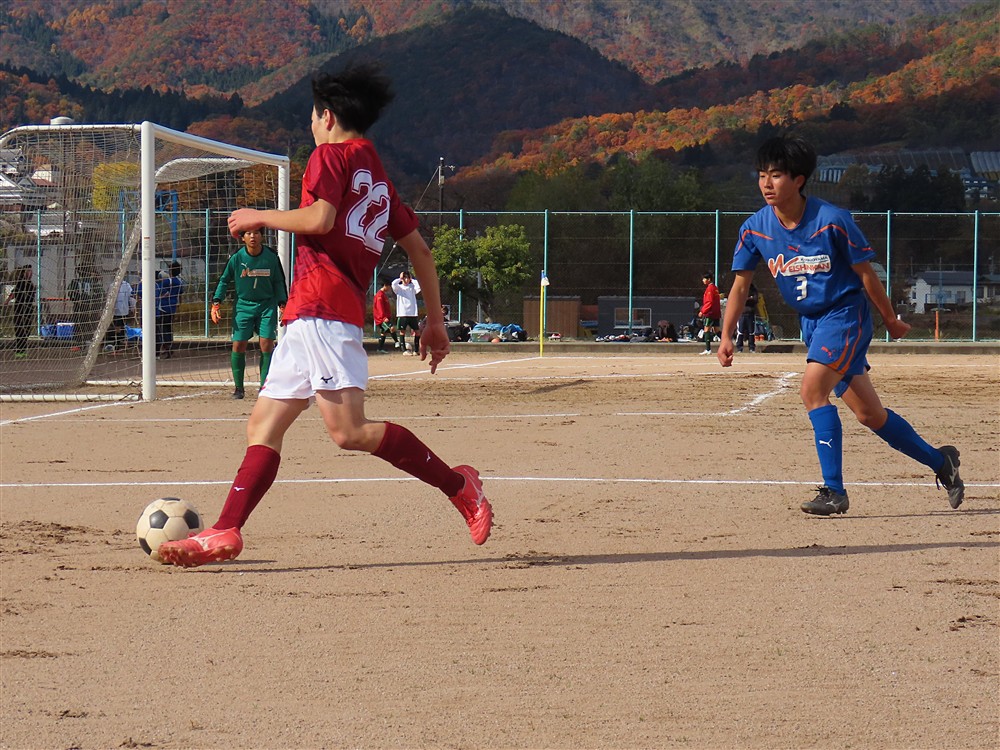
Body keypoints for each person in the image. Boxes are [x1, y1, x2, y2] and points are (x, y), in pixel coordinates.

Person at [158, 63, 493, 568]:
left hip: (324, 310)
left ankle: (459, 485)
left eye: (313, 117)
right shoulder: (378, 177)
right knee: (263, 425)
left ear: (329, 117)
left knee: (349, 431)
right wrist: (435, 320)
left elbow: (320, 218)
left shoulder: (329, 156)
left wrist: (259, 216)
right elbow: (421, 252)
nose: (312, 125)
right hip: (307, 315)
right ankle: (225, 530)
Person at [717, 134, 964, 515]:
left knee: (812, 391)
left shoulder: (832, 220)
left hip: (845, 316)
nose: (767, 183)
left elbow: (866, 274)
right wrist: (726, 335)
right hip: (812, 324)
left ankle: (834, 491)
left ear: (799, 179)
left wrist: (890, 319)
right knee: (870, 415)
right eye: (762, 174)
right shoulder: (755, 228)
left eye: (777, 175)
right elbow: (739, 286)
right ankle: (941, 462)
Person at [212, 229, 288, 398]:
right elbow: (224, 280)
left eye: (256, 233)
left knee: (266, 343)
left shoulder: (271, 257)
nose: (253, 236)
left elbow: (279, 281)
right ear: (242, 238)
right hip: (243, 305)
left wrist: (283, 305)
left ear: (262, 236)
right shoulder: (236, 258)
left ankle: (264, 387)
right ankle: (239, 389)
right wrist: (216, 302)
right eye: (248, 233)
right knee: (239, 344)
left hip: (266, 305)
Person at [67, 261, 102, 348]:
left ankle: (80, 344)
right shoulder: (92, 282)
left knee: (80, 325)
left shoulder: (75, 281)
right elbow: (100, 294)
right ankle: (88, 343)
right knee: (88, 325)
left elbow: (70, 294)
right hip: (89, 307)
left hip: (80, 307)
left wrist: (75, 299)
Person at [156, 261, 185, 359]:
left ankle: (166, 347)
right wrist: (179, 304)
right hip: (172, 307)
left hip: (164, 307)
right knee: (168, 327)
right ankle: (169, 346)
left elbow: (159, 291)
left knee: (162, 328)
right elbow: (180, 295)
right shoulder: (179, 282)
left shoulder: (167, 282)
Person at [6, 265, 35, 359]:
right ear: (24, 273)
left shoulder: (30, 284)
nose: (30, 273)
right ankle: (19, 349)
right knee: (19, 329)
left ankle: (22, 348)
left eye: (31, 271)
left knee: (27, 330)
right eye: (28, 271)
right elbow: (13, 294)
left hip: (28, 310)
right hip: (19, 309)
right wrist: (7, 301)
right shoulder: (20, 283)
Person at [392, 270, 421, 355]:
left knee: (417, 332)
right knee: (402, 331)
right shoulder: (399, 288)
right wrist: (400, 278)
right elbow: (393, 284)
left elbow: (419, 287)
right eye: (404, 278)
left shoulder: (412, 287)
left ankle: (416, 350)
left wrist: (412, 279)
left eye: (408, 278)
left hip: (412, 313)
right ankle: (404, 350)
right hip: (403, 313)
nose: (406, 280)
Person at [104, 276, 135, 353]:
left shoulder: (126, 285)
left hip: (124, 310)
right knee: (117, 327)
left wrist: (132, 307)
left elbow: (131, 297)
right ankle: (118, 343)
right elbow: (108, 297)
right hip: (115, 310)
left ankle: (120, 342)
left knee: (122, 326)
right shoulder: (112, 285)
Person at [372, 277, 398, 353]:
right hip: (381, 318)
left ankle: (380, 349)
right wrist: (383, 317)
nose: (390, 288)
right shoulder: (379, 295)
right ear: (385, 285)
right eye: (389, 286)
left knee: (384, 333)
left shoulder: (383, 294)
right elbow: (380, 308)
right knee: (391, 328)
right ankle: (397, 342)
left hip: (384, 317)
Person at [698, 271, 721, 355]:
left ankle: (708, 349)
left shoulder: (710, 288)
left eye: (704, 279)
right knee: (716, 330)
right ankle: (728, 344)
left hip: (710, 312)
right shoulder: (715, 288)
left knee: (706, 329)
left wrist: (702, 311)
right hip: (716, 312)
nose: (703, 280)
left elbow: (709, 302)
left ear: (709, 279)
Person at [735, 282, 758, 353]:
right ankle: (739, 348)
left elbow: (755, 300)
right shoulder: (740, 289)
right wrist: (748, 299)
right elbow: (738, 300)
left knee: (751, 332)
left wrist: (747, 299)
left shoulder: (753, 290)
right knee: (740, 331)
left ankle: (752, 348)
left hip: (750, 314)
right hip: (741, 314)